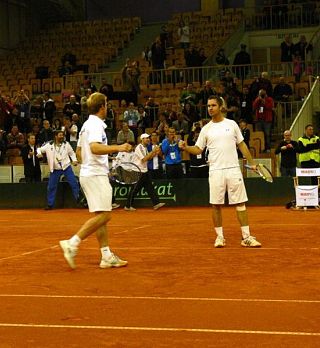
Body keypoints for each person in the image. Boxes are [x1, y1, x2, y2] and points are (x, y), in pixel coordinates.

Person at [59, 92, 132, 270]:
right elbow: (94, 147)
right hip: (94, 174)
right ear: (102, 107)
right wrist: (119, 147)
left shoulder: (86, 125)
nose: (108, 107)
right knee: (106, 215)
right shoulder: (96, 125)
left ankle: (106, 256)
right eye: (106, 104)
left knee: (101, 216)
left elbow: (79, 152)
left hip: (90, 172)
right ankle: (72, 243)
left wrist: (92, 165)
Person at [179, 95, 261, 248]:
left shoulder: (232, 124)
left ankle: (246, 237)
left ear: (220, 106)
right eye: (208, 106)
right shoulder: (206, 129)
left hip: (233, 169)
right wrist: (186, 148)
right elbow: (198, 149)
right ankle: (220, 237)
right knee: (216, 204)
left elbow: (242, 145)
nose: (210, 108)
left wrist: (252, 163)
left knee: (240, 203)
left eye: (213, 105)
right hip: (215, 170)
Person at [37, 130, 79, 210]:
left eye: (62, 135)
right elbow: (39, 149)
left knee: (74, 183)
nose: (61, 137)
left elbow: (72, 153)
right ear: (56, 136)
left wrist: (74, 160)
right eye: (60, 135)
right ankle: (50, 204)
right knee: (51, 187)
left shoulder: (66, 144)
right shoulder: (49, 145)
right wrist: (39, 154)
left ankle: (79, 200)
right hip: (55, 169)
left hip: (66, 167)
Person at [124, 133, 165, 211]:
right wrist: (153, 151)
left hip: (144, 170)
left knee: (150, 188)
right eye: (146, 138)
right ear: (142, 139)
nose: (148, 139)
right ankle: (128, 206)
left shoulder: (145, 148)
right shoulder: (139, 147)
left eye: (148, 138)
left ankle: (156, 203)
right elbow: (144, 159)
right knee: (134, 189)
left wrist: (155, 153)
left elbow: (148, 158)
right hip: (137, 171)